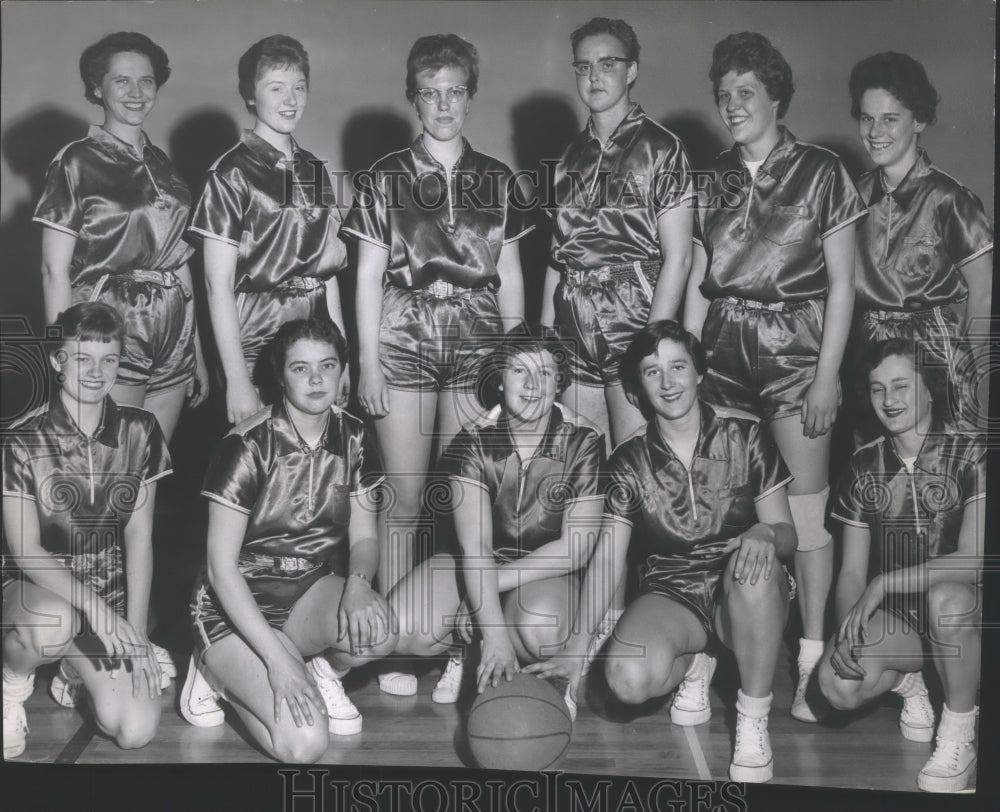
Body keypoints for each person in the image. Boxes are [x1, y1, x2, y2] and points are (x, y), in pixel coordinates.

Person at [683, 32, 866, 722]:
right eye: (724, 95)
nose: (732, 106)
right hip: (725, 349)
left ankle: (812, 652)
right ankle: (716, 650)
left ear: (777, 97)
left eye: (746, 94)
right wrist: (687, 363)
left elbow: (843, 286)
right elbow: (704, 284)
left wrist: (827, 377)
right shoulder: (711, 178)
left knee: (807, 513)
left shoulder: (822, 171)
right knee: (731, 508)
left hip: (796, 348)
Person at [342, 34, 529, 698]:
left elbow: (509, 279)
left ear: (470, 96)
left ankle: (460, 643)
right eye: (431, 92)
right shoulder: (387, 175)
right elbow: (365, 276)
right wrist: (366, 361)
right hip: (403, 340)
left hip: (476, 345)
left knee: (465, 503)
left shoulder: (499, 179)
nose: (444, 104)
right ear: (414, 97)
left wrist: (516, 362)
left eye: (455, 91)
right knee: (403, 500)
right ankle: (389, 637)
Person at [528, 321, 797, 783]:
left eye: (678, 367)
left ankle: (753, 718)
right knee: (627, 682)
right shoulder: (628, 460)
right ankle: (696, 660)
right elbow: (609, 560)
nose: (668, 382)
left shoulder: (747, 434)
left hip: (746, 587)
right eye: (653, 372)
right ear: (637, 388)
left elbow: (789, 534)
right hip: (673, 590)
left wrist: (766, 534)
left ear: (699, 373)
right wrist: (577, 647)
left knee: (753, 568)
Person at [180, 318, 397, 763]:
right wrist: (277, 665)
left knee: (381, 630)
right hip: (232, 603)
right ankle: (213, 670)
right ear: (279, 376)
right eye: (300, 368)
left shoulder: (354, 435)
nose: (317, 379)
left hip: (305, 590)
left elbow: (365, 537)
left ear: (342, 371)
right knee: (305, 745)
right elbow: (221, 570)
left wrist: (358, 583)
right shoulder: (246, 445)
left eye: (327, 365)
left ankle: (319, 670)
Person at [388, 326, 605, 703]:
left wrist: (484, 595)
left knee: (543, 630)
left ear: (560, 382)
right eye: (519, 370)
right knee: (404, 630)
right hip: (481, 559)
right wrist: (495, 635)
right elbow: (477, 548)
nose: (532, 383)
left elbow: (575, 550)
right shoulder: (471, 440)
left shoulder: (585, 439)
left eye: (545, 372)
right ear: (500, 381)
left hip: (548, 568)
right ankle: (471, 652)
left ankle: (538, 674)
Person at [3, 303, 170, 759]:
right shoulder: (22, 439)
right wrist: (94, 608)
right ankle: (12, 686)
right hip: (33, 587)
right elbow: (24, 551)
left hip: (106, 595)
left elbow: (139, 538)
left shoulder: (142, 429)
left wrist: (135, 636)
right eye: (82, 358)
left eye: (109, 359)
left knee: (135, 730)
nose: (97, 372)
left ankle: (72, 677)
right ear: (58, 362)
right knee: (52, 625)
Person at [818, 339, 984, 793]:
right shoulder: (862, 465)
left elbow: (972, 561)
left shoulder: (973, 453)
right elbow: (852, 572)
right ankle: (913, 683)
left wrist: (886, 583)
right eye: (876, 390)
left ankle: (959, 735)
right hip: (907, 621)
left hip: (975, 615)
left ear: (930, 388)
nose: (889, 400)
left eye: (900, 385)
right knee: (837, 685)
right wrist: (849, 631)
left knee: (947, 598)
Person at [34, 31, 208, 442]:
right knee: (109, 465)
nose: (136, 92)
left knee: (149, 467)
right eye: (121, 81)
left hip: (172, 333)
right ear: (97, 87)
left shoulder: (161, 162)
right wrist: (64, 352)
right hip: (110, 323)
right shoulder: (76, 159)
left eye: (146, 81)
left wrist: (194, 349)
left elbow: (177, 259)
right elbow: (52, 270)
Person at [540, 16, 694, 447]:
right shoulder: (569, 156)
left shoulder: (662, 148)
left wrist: (653, 345)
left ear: (632, 71)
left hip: (633, 321)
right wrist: (544, 340)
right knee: (582, 468)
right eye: (583, 66)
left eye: (607, 64)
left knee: (636, 469)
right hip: (573, 324)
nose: (593, 76)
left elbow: (679, 257)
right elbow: (558, 257)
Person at [188, 35, 348, 425]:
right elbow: (217, 284)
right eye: (275, 88)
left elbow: (328, 275)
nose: (290, 100)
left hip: (316, 339)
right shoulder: (231, 172)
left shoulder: (314, 169)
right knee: (265, 468)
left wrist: (342, 359)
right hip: (259, 341)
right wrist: (238, 380)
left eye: (298, 88)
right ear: (250, 96)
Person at [845, 52, 993, 439]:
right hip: (866, 351)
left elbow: (983, 294)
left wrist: (969, 375)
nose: (876, 130)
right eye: (866, 118)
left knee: (940, 468)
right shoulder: (850, 195)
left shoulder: (949, 198)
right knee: (876, 469)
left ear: (919, 120)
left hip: (933, 353)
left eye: (890, 119)